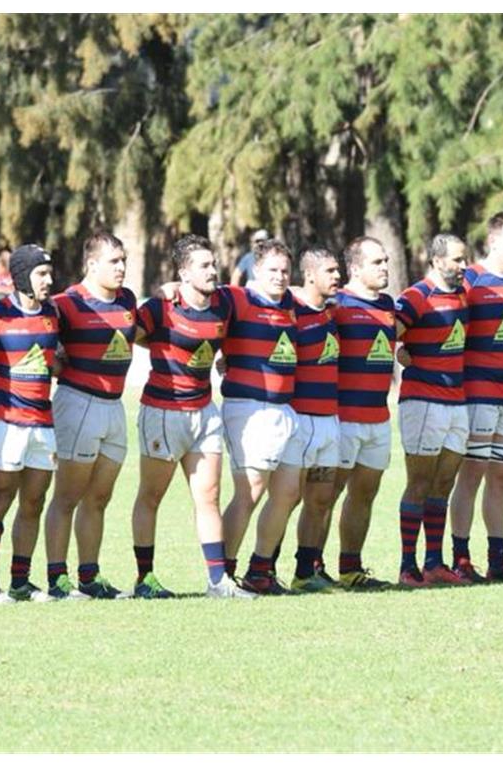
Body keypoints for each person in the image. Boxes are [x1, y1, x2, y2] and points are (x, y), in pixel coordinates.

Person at [128, 234, 252, 599]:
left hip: (205, 410)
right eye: (204, 265)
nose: (213, 270)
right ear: (183, 272)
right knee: (151, 495)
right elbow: (127, 335)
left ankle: (218, 581)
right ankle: (145, 579)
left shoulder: (224, 303)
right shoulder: (159, 307)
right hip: (163, 412)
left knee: (209, 496)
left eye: (214, 264)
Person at [43, 232, 139, 600]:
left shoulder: (128, 299)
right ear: (92, 263)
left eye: (123, 260)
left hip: (114, 407)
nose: (121, 267)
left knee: (99, 498)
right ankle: (57, 579)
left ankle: (89, 576)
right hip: (78, 404)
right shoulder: (66, 303)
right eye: (113, 261)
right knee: (67, 496)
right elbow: (40, 343)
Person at [448, 212, 503, 583]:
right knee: (471, 475)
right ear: (493, 242)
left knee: (502, 476)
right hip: (477, 392)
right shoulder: (469, 279)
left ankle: (498, 558)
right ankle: (461, 558)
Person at [0, 245, 61, 604]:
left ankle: (20, 582)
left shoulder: (53, 315)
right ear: (22, 276)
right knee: (1, 498)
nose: (48, 281)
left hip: (43, 420)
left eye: (49, 274)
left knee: (34, 501)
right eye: (41, 274)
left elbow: (58, 358)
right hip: (4, 419)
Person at [218, 238, 303, 595]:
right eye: (273, 270)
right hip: (248, 408)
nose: (280, 277)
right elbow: (199, 299)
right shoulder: (236, 298)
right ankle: (222, 574)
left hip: (286, 409)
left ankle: (260, 569)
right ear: (255, 269)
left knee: (288, 492)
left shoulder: (290, 303)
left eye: (285, 270)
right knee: (250, 491)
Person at [393, 234, 471, 588]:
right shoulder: (415, 297)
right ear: (437, 260)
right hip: (422, 401)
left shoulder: (462, 294)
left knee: (444, 482)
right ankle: (407, 566)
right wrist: (399, 353)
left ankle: (434, 563)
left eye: (465, 259)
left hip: (457, 401)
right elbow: (386, 335)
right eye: (457, 259)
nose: (463, 265)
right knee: (420, 483)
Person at [329, 236, 396, 591]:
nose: (385, 267)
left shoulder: (388, 305)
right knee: (326, 494)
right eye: (377, 262)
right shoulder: (336, 304)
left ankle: (350, 568)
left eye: (386, 260)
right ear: (354, 269)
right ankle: (308, 566)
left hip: (379, 418)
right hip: (343, 417)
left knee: (365, 493)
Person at [282, 246, 343, 593]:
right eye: (330, 271)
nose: (337, 277)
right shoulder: (289, 311)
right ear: (309, 275)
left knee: (321, 498)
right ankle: (263, 566)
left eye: (338, 271)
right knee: (287, 499)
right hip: (299, 421)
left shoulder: (335, 312)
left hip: (328, 422)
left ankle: (305, 572)